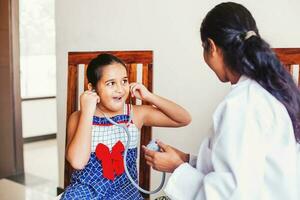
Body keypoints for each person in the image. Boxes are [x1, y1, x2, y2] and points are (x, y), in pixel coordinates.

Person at [143, 2, 300, 200]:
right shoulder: (265, 92)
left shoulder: (242, 105)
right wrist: (185, 160)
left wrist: (178, 168)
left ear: (212, 47)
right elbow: (240, 168)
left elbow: (229, 193)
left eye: (203, 48)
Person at [60, 53, 191, 199]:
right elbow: (77, 162)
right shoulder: (78, 117)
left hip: (124, 192)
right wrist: (87, 113)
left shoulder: (135, 114)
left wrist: (149, 96)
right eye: (111, 83)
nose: (120, 89)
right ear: (92, 88)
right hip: (84, 192)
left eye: (124, 81)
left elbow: (183, 119)